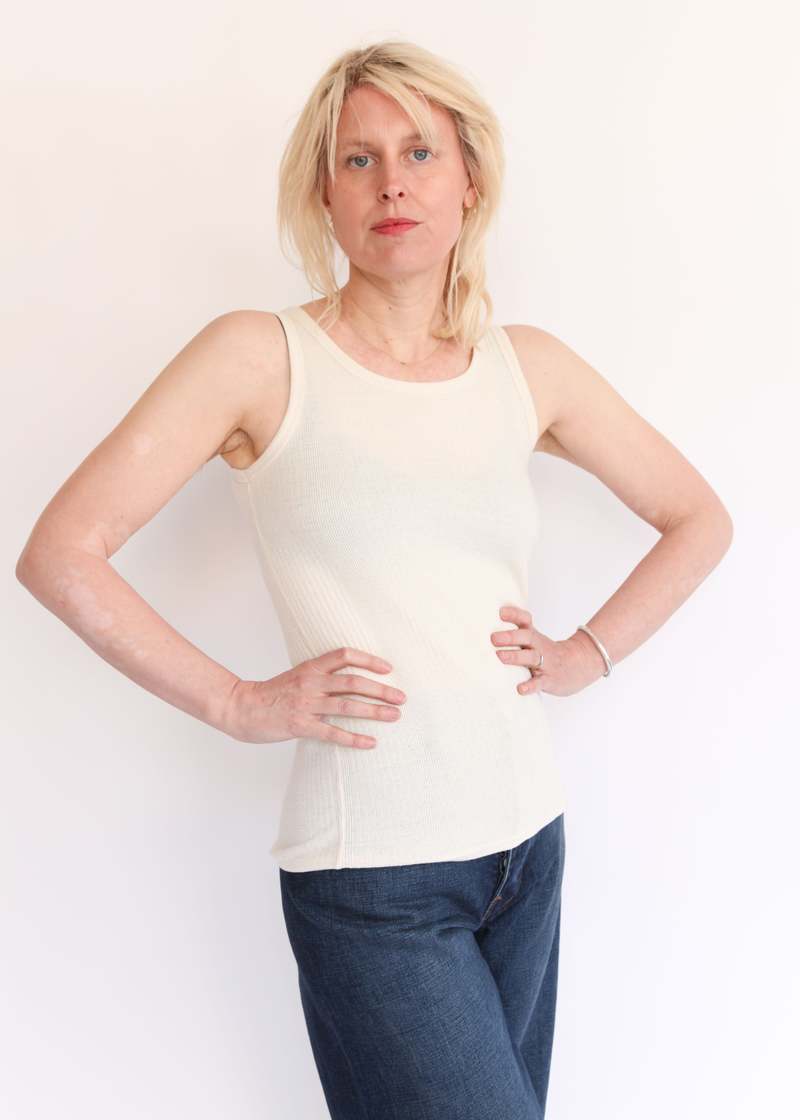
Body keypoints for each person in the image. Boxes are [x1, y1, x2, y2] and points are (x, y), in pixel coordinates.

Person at [16, 38, 733, 1120]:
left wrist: (585, 653)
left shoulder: (525, 366)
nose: (391, 182)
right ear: (325, 191)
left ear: (468, 180)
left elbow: (697, 517)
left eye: (419, 152)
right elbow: (62, 549)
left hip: (526, 844)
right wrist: (237, 700)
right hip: (374, 878)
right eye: (358, 159)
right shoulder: (260, 357)